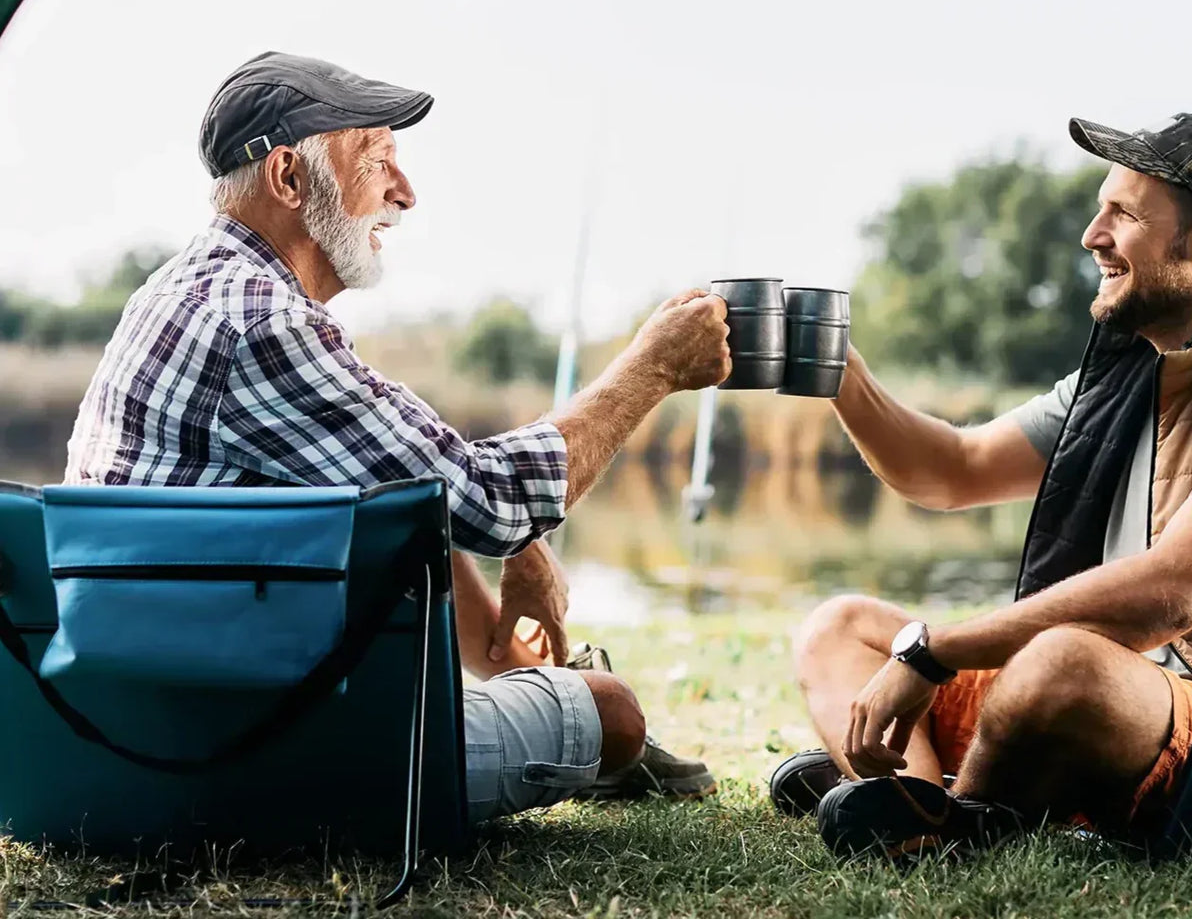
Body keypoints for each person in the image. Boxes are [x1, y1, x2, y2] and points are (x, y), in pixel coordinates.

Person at [64, 51, 729, 820]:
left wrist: (518, 543)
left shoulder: (180, 289)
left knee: (405, 507)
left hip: (127, 715)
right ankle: (562, 705)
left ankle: (526, 684)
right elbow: (488, 501)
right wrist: (651, 369)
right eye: (378, 161)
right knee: (613, 712)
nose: (405, 194)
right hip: (238, 747)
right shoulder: (262, 322)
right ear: (288, 179)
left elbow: (408, 474)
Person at [773, 113, 1192, 859]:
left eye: (1124, 215)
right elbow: (952, 470)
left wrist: (934, 652)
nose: (1091, 234)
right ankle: (919, 803)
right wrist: (836, 370)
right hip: (1143, 696)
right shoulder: (1142, 363)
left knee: (1060, 661)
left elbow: (1177, 589)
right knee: (841, 629)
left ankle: (961, 813)